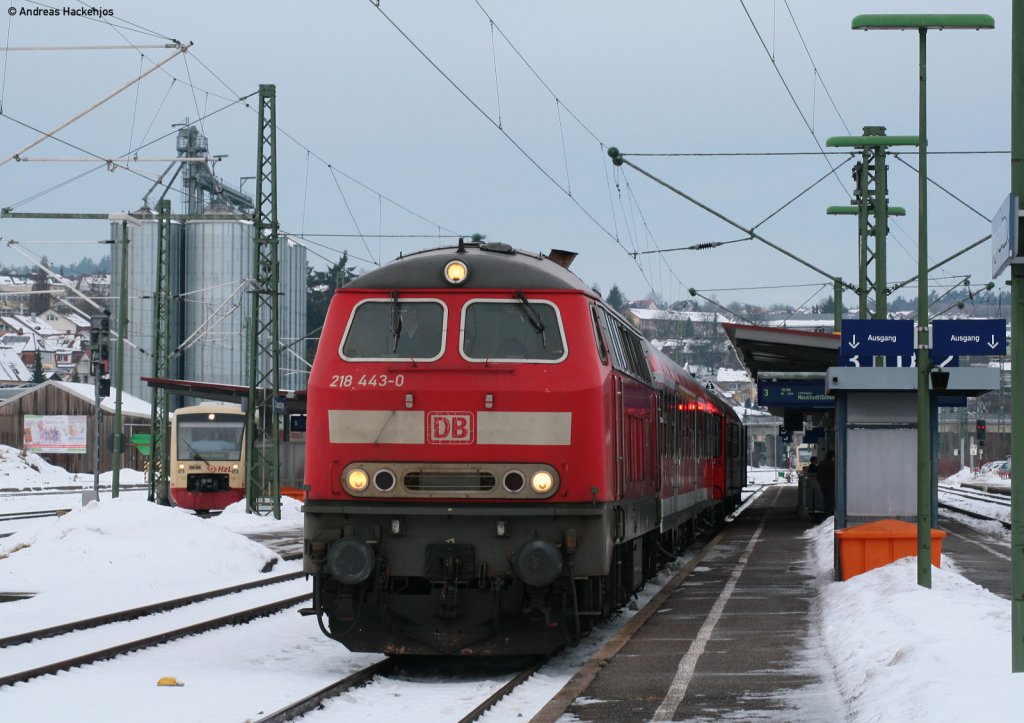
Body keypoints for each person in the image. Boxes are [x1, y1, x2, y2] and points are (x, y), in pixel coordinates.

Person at [817, 450, 836, 517]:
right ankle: (829, 517)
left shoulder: (821, 463)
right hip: (831, 486)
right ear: (832, 456)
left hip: (823, 486)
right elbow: (834, 474)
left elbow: (818, 475)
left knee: (826, 501)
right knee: (830, 503)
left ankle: (826, 516)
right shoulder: (831, 463)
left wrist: (821, 483)